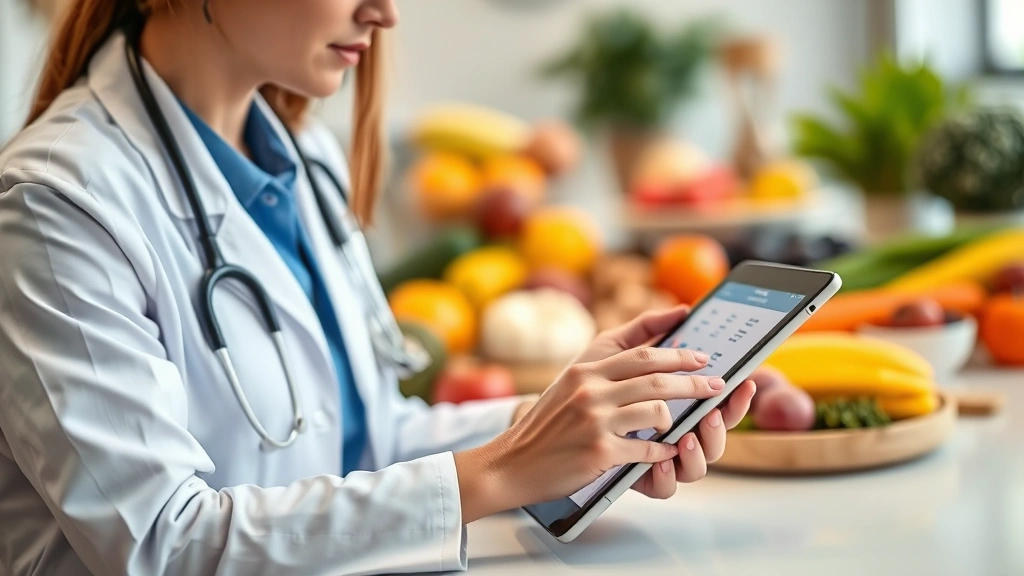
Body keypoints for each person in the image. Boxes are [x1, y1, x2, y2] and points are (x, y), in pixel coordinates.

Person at [0, 0, 756, 574]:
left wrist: (570, 426)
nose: (385, 12)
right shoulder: (55, 202)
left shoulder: (305, 158)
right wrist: (499, 471)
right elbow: (163, 544)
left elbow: (365, 442)